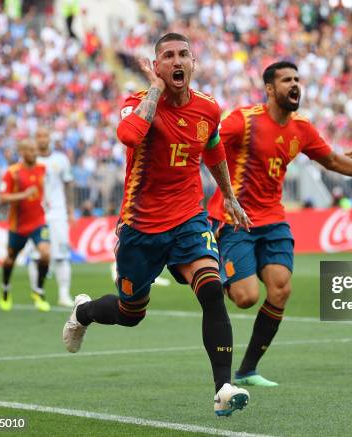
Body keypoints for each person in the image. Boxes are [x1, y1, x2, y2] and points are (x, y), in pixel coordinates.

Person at [62, 33, 252, 417]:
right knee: (132, 314)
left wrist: (229, 195)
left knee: (212, 290)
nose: (177, 60)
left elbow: (213, 149)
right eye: (168, 56)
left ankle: (223, 388)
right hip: (141, 227)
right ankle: (83, 312)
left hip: (188, 219)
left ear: (193, 63)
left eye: (184, 54)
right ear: (158, 65)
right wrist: (153, 90)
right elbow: (128, 135)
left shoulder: (209, 108)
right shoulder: (138, 103)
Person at [207, 61, 352, 387]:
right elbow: (208, 145)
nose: (294, 85)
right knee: (246, 297)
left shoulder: (301, 128)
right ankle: (215, 262)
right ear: (270, 88)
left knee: (281, 288)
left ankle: (248, 370)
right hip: (235, 220)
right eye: (286, 80)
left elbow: (334, 161)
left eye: (297, 79)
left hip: (273, 220)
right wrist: (223, 192)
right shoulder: (244, 120)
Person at [0, 139, 51, 312]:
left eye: (35, 149)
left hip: (38, 222)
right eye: (29, 150)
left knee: (45, 254)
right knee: (10, 259)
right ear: (22, 152)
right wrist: (23, 194)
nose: (34, 153)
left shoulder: (43, 168)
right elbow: (2, 198)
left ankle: (39, 291)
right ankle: (5, 288)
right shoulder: (12, 173)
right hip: (18, 225)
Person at [28, 127, 75, 307]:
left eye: (44, 135)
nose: (42, 139)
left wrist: (70, 210)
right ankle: (38, 293)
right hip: (35, 214)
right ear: (35, 138)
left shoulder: (60, 160)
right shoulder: (29, 161)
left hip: (58, 213)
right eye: (39, 135)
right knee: (36, 255)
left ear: (49, 138)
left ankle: (64, 294)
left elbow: (68, 184)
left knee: (62, 254)